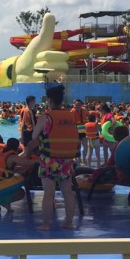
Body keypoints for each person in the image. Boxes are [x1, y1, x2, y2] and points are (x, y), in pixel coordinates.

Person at [23, 83, 79, 231]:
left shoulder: (46, 118)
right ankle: (69, 222)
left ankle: (46, 224)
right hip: (66, 160)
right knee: (68, 192)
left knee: (49, 193)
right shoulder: (71, 116)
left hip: (49, 160)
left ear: (49, 100)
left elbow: (34, 136)